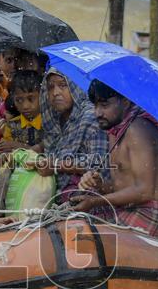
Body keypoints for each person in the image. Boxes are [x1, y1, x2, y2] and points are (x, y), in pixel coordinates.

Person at [73, 81, 158, 238]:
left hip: (148, 214)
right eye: (95, 105)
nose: (97, 113)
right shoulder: (115, 130)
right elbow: (122, 186)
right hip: (125, 207)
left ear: (125, 102)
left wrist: (95, 202)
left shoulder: (137, 129)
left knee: (84, 239)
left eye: (104, 105)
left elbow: (144, 192)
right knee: (71, 222)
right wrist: (100, 186)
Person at [23, 69, 109, 200]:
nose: (55, 93)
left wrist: (56, 165)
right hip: (58, 197)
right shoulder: (54, 120)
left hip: (87, 199)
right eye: (51, 87)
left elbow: (98, 163)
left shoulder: (91, 117)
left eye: (63, 85)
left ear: (75, 86)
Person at [0, 69, 44, 153]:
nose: (25, 106)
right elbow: (3, 153)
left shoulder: (49, 124)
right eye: (19, 100)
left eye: (31, 99)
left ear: (42, 96)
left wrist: (21, 147)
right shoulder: (11, 126)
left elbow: (51, 152)